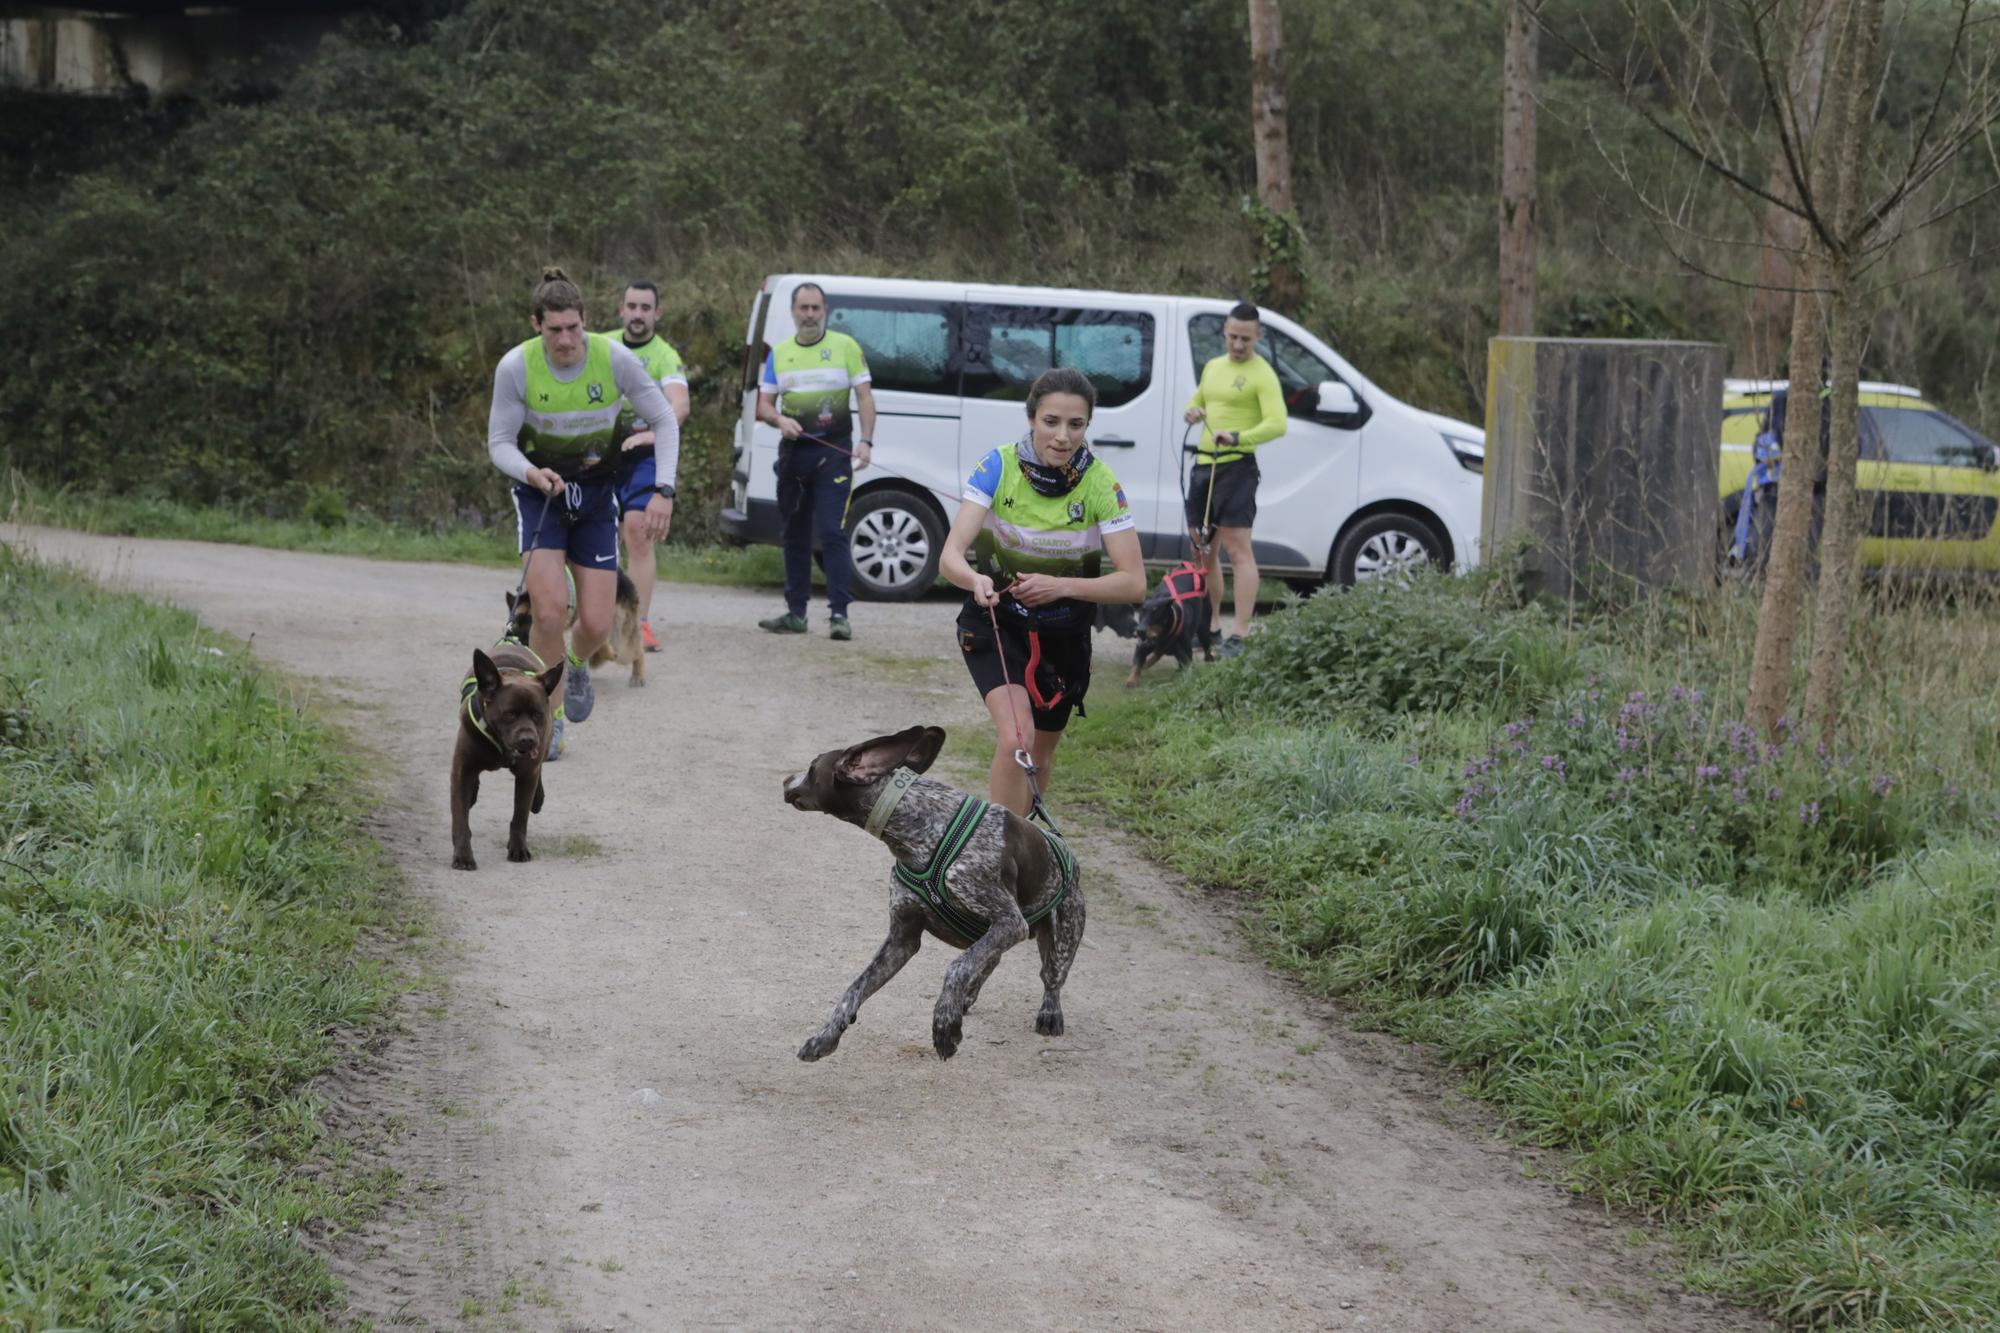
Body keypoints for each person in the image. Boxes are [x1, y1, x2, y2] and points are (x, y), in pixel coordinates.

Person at [486, 266, 680, 758]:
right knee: (549, 610)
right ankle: (549, 721)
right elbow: (500, 443)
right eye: (555, 330)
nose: (566, 339)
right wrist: (530, 473)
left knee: (595, 625)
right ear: (536, 325)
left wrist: (665, 489)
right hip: (542, 495)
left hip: (595, 499)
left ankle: (573, 664)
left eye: (574, 327)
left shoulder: (613, 360)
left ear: (586, 321)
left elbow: (664, 418)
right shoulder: (516, 367)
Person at [940, 367, 1147, 817]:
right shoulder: (997, 465)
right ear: (1032, 418)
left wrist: (1061, 586)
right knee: (1018, 738)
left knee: (1041, 756)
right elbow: (951, 556)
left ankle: (1026, 843)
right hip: (996, 621)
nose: (1062, 436)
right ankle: (999, 850)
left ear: (1088, 426)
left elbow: (1134, 581)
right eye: (1051, 421)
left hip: (1064, 633)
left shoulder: (1101, 483)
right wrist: (976, 580)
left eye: (1076, 424)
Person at [755, 282, 875, 640]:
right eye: (803, 308)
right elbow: (763, 405)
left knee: (832, 532)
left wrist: (867, 441)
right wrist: (778, 420)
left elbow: (865, 398)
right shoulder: (779, 354)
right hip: (794, 456)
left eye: (815, 308)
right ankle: (796, 613)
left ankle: (839, 615)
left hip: (834, 454)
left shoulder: (846, 347)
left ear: (825, 310)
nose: (809, 314)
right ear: (793, 312)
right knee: (794, 533)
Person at [1182, 300, 1287, 658]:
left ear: (1257, 336)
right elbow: (1197, 402)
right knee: (1202, 552)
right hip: (1203, 465)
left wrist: (1240, 437)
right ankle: (1208, 626)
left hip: (1238, 467)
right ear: (1224, 334)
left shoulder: (1263, 374)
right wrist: (1194, 413)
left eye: (1246, 338)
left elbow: (1278, 423)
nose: (1238, 345)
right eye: (1232, 337)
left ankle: (1240, 632)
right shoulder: (1213, 366)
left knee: (1238, 551)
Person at [611, 280, 691, 653]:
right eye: (633, 306)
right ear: (621, 310)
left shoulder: (664, 356)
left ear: (656, 313)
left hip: (646, 456)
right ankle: (594, 618)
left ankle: (638, 622)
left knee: (638, 531)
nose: (638, 314)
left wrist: (651, 436)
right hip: (602, 452)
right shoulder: (602, 345)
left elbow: (680, 406)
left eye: (646, 308)